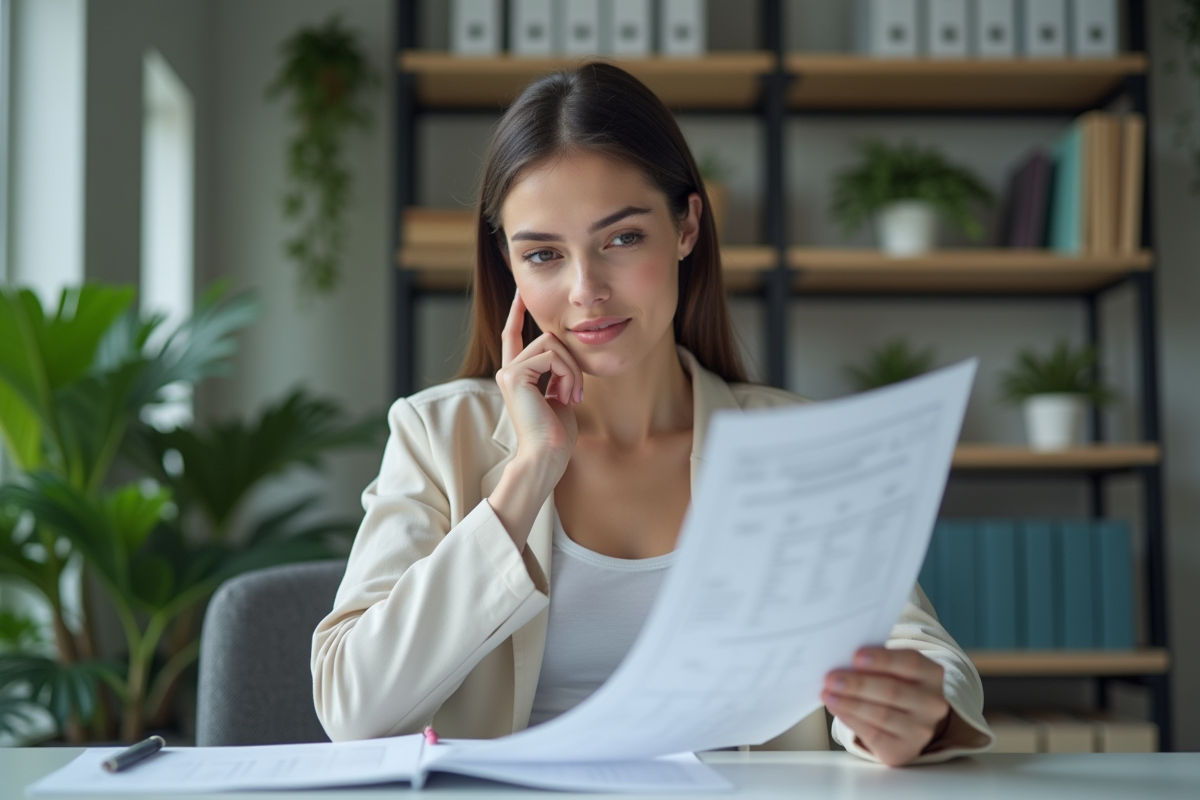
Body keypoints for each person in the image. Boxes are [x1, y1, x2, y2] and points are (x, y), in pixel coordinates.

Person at [311, 62, 994, 767]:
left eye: (622, 239)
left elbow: (919, 649)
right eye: (543, 254)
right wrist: (525, 477)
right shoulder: (435, 435)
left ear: (687, 226)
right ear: (510, 267)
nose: (585, 291)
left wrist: (920, 711)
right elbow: (352, 709)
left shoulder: (798, 443)